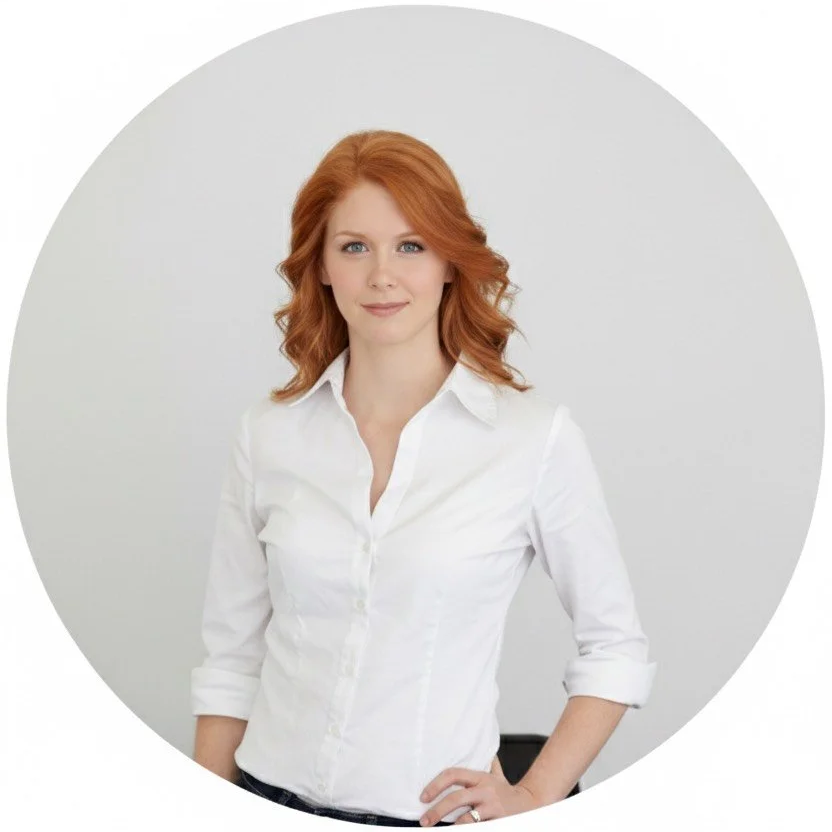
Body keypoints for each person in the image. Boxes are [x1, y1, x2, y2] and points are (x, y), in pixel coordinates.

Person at [191, 129, 657, 826]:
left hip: (426, 816)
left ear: (448, 261)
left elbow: (616, 648)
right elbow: (230, 660)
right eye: (355, 247)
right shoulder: (270, 433)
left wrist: (534, 795)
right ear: (320, 266)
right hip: (261, 792)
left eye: (410, 245)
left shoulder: (532, 438)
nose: (383, 275)